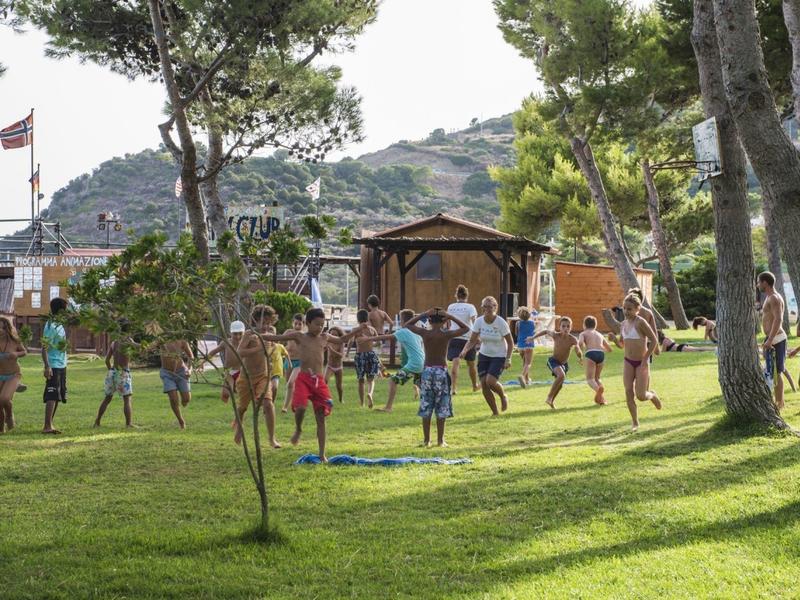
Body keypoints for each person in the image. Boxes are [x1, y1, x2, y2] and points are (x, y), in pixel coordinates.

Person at [261, 307, 355, 462]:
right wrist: (259, 334)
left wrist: (357, 330)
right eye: (317, 324)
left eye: (322, 325)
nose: (320, 328)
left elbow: (341, 340)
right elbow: (277, 337)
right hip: (304, 378)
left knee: (321, 417)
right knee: (301, 407)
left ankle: (322, 453)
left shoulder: (324, 337)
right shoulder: (300, 336)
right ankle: (298, 429)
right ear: (308, 323)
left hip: (318, 381)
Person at [400, 307, 470, 447]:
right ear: (444, 322)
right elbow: (466, 328)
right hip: (441, 372)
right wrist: (450, 316)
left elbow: (407, 325)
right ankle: (440, 440)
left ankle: (426, 440)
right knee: (441, 406)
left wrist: (424, 314)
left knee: (426, 405)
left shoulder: (425, 333)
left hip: (427, 372)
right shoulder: (446, 334)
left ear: (430, 321)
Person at [609, 293, 661, 431]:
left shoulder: (640, 322)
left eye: (630, 309)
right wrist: (614, 339)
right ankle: (635, 422)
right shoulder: (623, 324)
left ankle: (652, 395)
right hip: (628, 362)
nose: (626, 311)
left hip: (641, 362)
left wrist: (645, 359)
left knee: (641, 396)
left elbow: (654, 340)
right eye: (624, 308)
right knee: (628, 392)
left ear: (638, 309)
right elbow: (622, 345)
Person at [360, 309, 425, 413]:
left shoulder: (403, 331)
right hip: (422, 362)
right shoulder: (416, 331)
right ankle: (431, 406)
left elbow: (387, 337)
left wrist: (368, 339)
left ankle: (388, 407)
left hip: (415, 363)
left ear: (403, 320)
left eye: (400, 319)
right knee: (422, 386)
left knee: (393, 380)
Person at [235, 305, 280, 447]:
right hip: (246, 377)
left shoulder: (269, 336)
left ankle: (272, 438)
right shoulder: (249, 334)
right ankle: (239, 428)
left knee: (268, 403)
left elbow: (270, 352)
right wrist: (258, 348)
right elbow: (240, 352)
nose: (266, 325)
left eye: (269, 322)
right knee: (242, 408)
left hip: (263, 376)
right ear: (254, 321)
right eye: (263, 322)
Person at [461, 296, 514, 416]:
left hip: (499, 355)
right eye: (485, 307)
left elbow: (510, 343)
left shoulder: (500, 322)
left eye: (490, 307)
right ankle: (495, 412)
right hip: (484, 355)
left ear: (495, 307)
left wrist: (508, 358)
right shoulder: (479, 321)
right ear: (482, 308)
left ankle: (503, 396)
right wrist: (464, 350)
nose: (487, 309)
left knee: (490, 381)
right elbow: (472, 340)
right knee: (484, 383)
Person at [531, 317, 582, 409]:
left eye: (568, 326)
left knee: (560, 385)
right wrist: (533, 337)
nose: (566, 328)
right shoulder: (556, 335)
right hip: (553, 361)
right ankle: (549, 397)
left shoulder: (573, 339)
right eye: (563, 326)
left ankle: (551, 401)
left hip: (564, 364)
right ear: (559, 327)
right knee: (561, 376)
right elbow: (546, 331)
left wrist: (579, 355)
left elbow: (578, 348)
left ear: (571, 327)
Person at [758, 271, 788, 411]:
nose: (758, 285)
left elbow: (778, 319)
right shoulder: (769, 297)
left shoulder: (774, 298)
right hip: (771, 338)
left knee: (777, 372)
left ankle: (779, 403)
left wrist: (770, 339)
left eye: (759, 282)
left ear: (765, 282)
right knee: (772, 371)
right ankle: (777, 402)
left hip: (776, 339)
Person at [94, 329, 134, 427]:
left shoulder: (114, 343)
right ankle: (128, 424)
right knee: (127, 399)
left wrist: (112, 371)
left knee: (107, 398)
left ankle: (97, 421)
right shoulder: (128, 342)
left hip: (112, 372)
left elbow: (107, 360)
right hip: (123, 373)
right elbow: (140, 349)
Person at [42, 297, 69, 434]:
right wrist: (47, 366)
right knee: (52, 394)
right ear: (60, 311)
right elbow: (44, 348)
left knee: (58, 395)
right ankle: (47, 426)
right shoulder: (50, 326)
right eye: (65, 310)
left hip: (62, 364)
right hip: (53, 364)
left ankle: (50, 424)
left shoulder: (59, 324)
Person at [446, 284, 479, 394]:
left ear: (456, 295)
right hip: (468, 338)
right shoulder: (470, 307)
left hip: (454, 337)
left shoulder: (451, 307)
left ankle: (453, 388)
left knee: (456, 363)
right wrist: (477, 336)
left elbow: (448, 323)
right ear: (466, 295)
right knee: (471, 364)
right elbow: (475, 321)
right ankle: (474, 386)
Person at [204, 320, 245, 403]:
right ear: (230, 333)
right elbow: (213, 352)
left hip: (242, 372)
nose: (237, 336)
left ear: (244, 333)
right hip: (230, 372)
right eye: (235, 334)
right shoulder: (226, 343)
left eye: (240, 333)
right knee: (225, 394)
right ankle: (227, 407)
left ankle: (239, 408)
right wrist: (203, 362)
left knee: (242, 394)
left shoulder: (246, 343)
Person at [577, 315, 612, 405]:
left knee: (590, 379)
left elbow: (580, 343)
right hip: (601, 354)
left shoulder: (583, 333)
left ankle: (598, 390)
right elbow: (609, 349)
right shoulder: (600, 334)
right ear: (595, 325)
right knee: (597, 378)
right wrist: (600, 350)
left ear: (584, 325)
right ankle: (602, 399)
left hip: (591, 353)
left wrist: (580, 356)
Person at [348, 309, 380, 408]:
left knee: (361, 380)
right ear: (367, 318)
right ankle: (370, 393)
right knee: (371, 379)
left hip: (360, 355)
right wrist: (371, 342)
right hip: (371, 354)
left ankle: (362, 403)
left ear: (358, 319)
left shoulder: (355, 330)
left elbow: (350, 342)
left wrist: (347, 352)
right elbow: (378, 342)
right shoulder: (372, 329)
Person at [160, 339, 194, 429]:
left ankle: (184, 401)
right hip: (167, 373)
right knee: (174, 398)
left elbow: (191, 357)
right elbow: (147, 347)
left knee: (186, 399)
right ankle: (181, 421)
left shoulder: (182, 341)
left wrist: (189, 370)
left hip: (182, 372)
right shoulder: (161, 340)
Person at [0, 316, 26, 433]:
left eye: (3, 328)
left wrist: (16, 354)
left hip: (13, 374)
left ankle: (9, 416)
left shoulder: (14, 340)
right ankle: (1, 428)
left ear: (7, 329)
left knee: (4, 398)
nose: (1, 331)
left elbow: (24, 352)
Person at [281, 314, 305, 413]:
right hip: (289, 361)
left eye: (300, 324)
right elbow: (280, 342)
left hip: (299, 363)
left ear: (304, 325)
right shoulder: (289, 332)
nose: (297, 326)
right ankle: (294, 402)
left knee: (291, 383)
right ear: (292, 323)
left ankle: (285, 407)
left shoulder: (304, 335)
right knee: (289, 385)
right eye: (296, 323)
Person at [366, 294, 393, 377]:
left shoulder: (369, 314)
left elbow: (370, 328)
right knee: (375, 355)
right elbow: (391, 323)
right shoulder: (383, 313)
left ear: (369, 304)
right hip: (382, 336)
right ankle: (382, 371)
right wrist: (388, 333)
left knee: (373, 356)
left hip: (374, 337)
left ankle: (380, 373)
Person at [265, 326, 290, 412]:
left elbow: (286, 354)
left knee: (274, 387)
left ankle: (272, 403)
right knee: (266, 390)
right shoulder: (263, 347)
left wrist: (289, 363)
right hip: (265, 372)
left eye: (272, 335)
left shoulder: (280, 347)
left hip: (276, 371)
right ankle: (266, 405)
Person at [516, 306, 536, 388]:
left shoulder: (518, 323)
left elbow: (516, 333)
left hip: (520, 345)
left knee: (524, 363)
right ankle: (522, 376)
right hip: (529, 345)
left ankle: (527, 379)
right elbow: (534, 332)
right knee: (528, 363)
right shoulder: (532, 323)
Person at [324, 326, 345, 403]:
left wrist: (331, 350)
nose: (333, 336)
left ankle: (341, 398)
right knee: (325, 381)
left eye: (335, 335)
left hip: (339, 367)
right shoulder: (328, 342)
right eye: (331, 334)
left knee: (339, 386)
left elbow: (341, 355)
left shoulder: (340, 343)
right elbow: (323, 349)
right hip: (330, 366)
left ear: (339, 335)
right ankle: (325, 398)